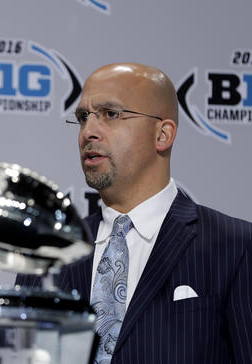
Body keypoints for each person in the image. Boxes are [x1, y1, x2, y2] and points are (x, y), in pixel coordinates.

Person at [17, 63, 252, 363]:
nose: (88, 132)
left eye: (111, 114)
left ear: (163, 135)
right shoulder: (46, 254)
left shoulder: (236, 247)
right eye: (82, 117)